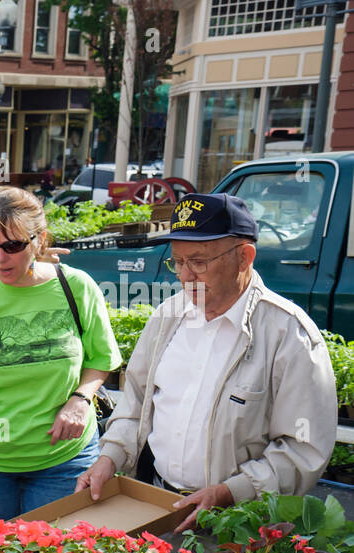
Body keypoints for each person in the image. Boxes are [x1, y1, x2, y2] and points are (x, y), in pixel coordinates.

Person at [75, 193, 337, 532]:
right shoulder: (168, 315)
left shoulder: (289, 334)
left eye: (199, 261)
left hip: (239, 528)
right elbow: (136, 406)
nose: (185, 276)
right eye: (178, 262)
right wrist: (109, 458)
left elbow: (304, 450)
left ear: (244, 257)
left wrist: (231, 492)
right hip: (156, 506)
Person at [0, 186, 121, 521]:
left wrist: (81, 399)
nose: (0, 258)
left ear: (40, 240)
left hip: (64, 459)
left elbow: (100, 360)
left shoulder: (77, 287)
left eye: (13, 246)